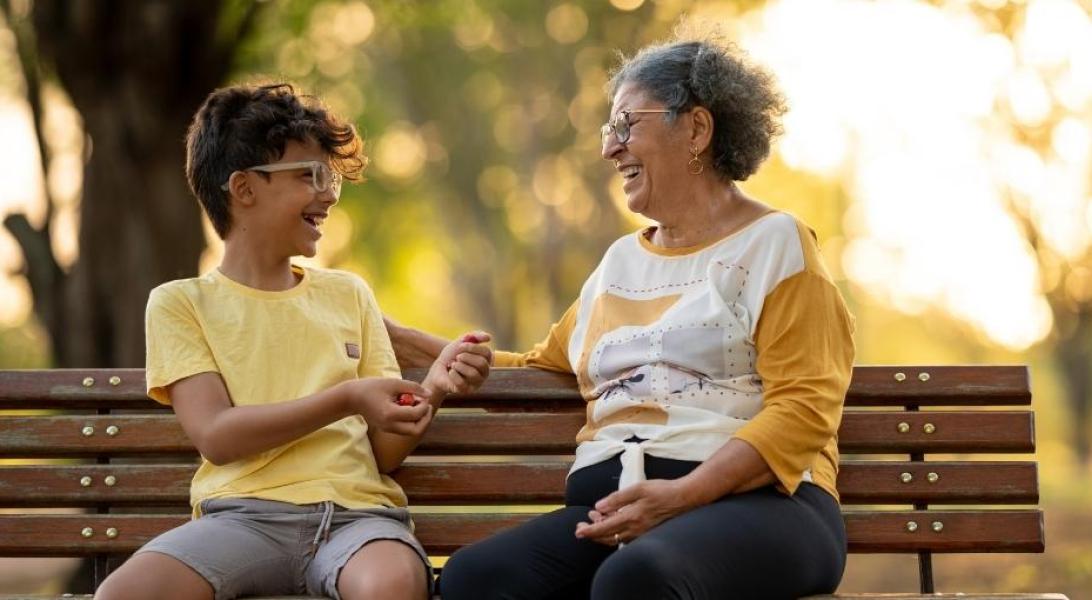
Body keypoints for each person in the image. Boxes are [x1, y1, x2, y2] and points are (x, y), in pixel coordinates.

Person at [386, 35, 855, 600]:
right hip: (614, 510)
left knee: (635, 581)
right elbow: (545, 365)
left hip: (765, 507)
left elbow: (804, 409)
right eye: (610, 130)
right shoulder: (619, 264)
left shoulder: (776, 244)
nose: (610, 148)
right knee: (475, 580)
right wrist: (393, 335)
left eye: (626, 124)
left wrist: (684, 494)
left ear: (697, 131)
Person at [94, 83, 493, 600]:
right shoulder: (180, 303)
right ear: (244, 189)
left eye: (329, 177)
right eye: (311, 176)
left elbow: (381, 454)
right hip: (242, 520)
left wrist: (432, 389)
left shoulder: (348, 294)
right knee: (121, 596)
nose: (328, 193)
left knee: (391, 584)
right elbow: (216, 434)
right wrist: (346, 398)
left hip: (358, 520)